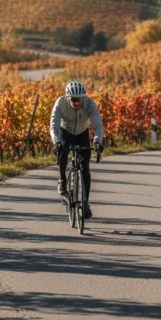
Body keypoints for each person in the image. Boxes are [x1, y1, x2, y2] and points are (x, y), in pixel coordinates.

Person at [51, 81, 104, 219]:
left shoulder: (90, 104)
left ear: (83, 98)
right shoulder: (60, 103)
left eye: (79, 99)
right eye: (73, 99)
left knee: (85, 168)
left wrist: (98, 141)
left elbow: (98, 125)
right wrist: (56, 141)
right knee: (62, 152)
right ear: (68, 97)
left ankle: (85, 203)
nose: (76, 102)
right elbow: (54, 126)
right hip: (65, 131)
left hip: (82, 133)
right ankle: (62, 179)